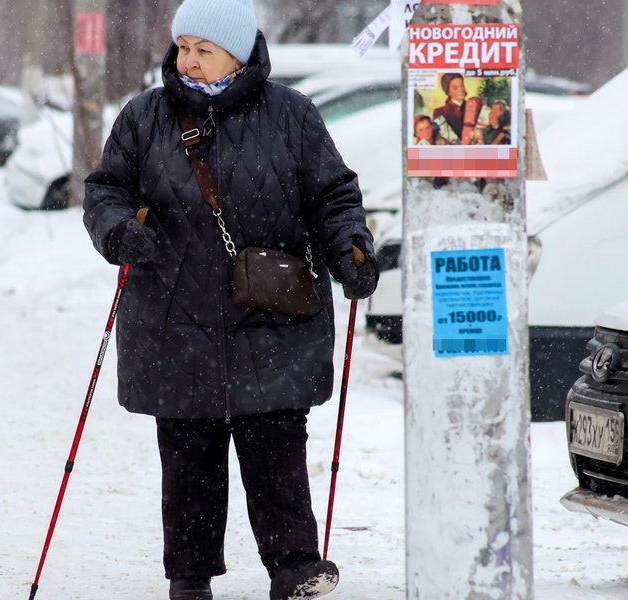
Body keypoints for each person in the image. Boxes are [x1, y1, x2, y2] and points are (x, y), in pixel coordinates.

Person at [81, 0, 378, 598]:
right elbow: (104, 190)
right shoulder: (145, 117)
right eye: (183, 46)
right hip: (172, 311)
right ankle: (189, 579)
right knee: (189, 456)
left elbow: (333, 196)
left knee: (276, 449)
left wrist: (351, 248)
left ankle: (295, 568)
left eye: (203, 49)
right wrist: (118, 231)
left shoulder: (292, 115)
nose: (187, 59)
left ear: (238, 54)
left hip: (272, 312)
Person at [432, 72, 482, 145]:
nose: (461, 89)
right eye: (455, 88)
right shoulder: (439, 112)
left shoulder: (475, 106)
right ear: (448, 92)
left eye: (462, 86)